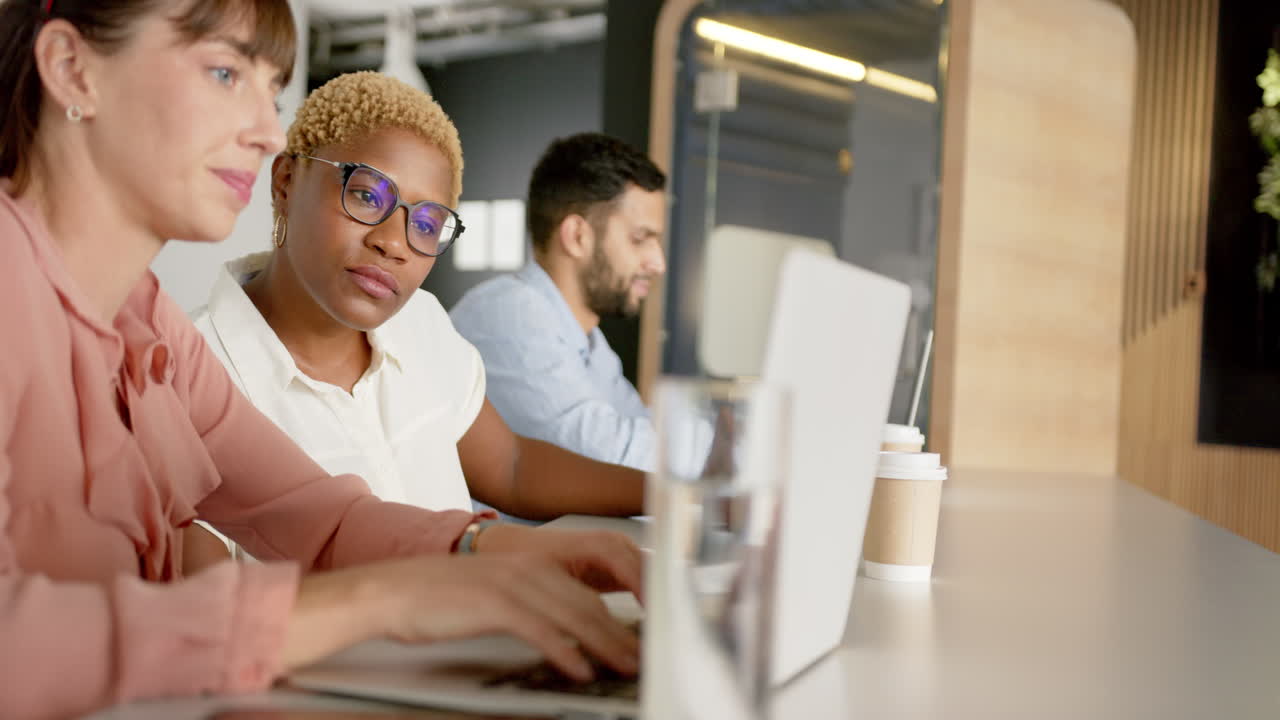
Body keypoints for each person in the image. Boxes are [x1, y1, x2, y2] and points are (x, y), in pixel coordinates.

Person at [0, 2, 637, 717]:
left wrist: (487, 556)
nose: (268, 131)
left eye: (271, 94)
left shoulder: (145, 324)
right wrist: (383, 600)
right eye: (223, 73)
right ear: (71, 69)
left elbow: (316, 518)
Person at [189, 71, 645, 526]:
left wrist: (677, 497)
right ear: (286, 181)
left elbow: (511, 467)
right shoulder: (193, 376)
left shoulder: (419, 323)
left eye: (427, 224)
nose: (394, 242)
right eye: (367, 195)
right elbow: (221, 592)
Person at [450, 133, 668, 472]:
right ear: (577, 236)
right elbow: (608, 460)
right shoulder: (509, 315)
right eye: (640, 239)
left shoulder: (590, 342)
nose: (658, 262)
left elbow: (640, 428)